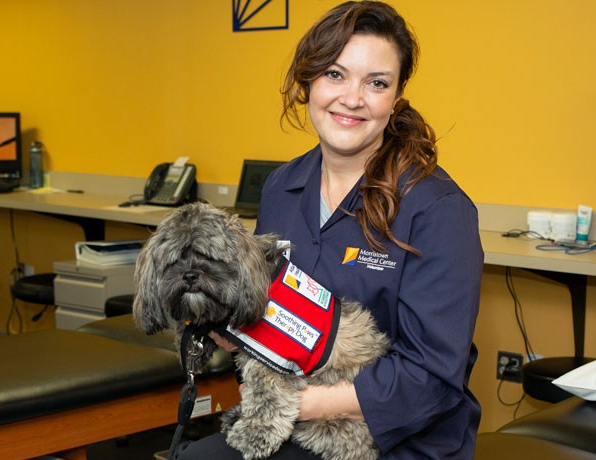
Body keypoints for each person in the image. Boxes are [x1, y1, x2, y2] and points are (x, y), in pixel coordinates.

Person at [175, 1, 483, 458]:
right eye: (335, 75)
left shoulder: (437, 210)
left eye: (376, 83)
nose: (352, 98)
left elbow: (431, 378)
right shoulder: (283, 187)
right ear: (308, 81)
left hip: (401, 440)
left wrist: (291, 404)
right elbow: (270, 307)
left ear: (396, 98)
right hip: (298, 424)